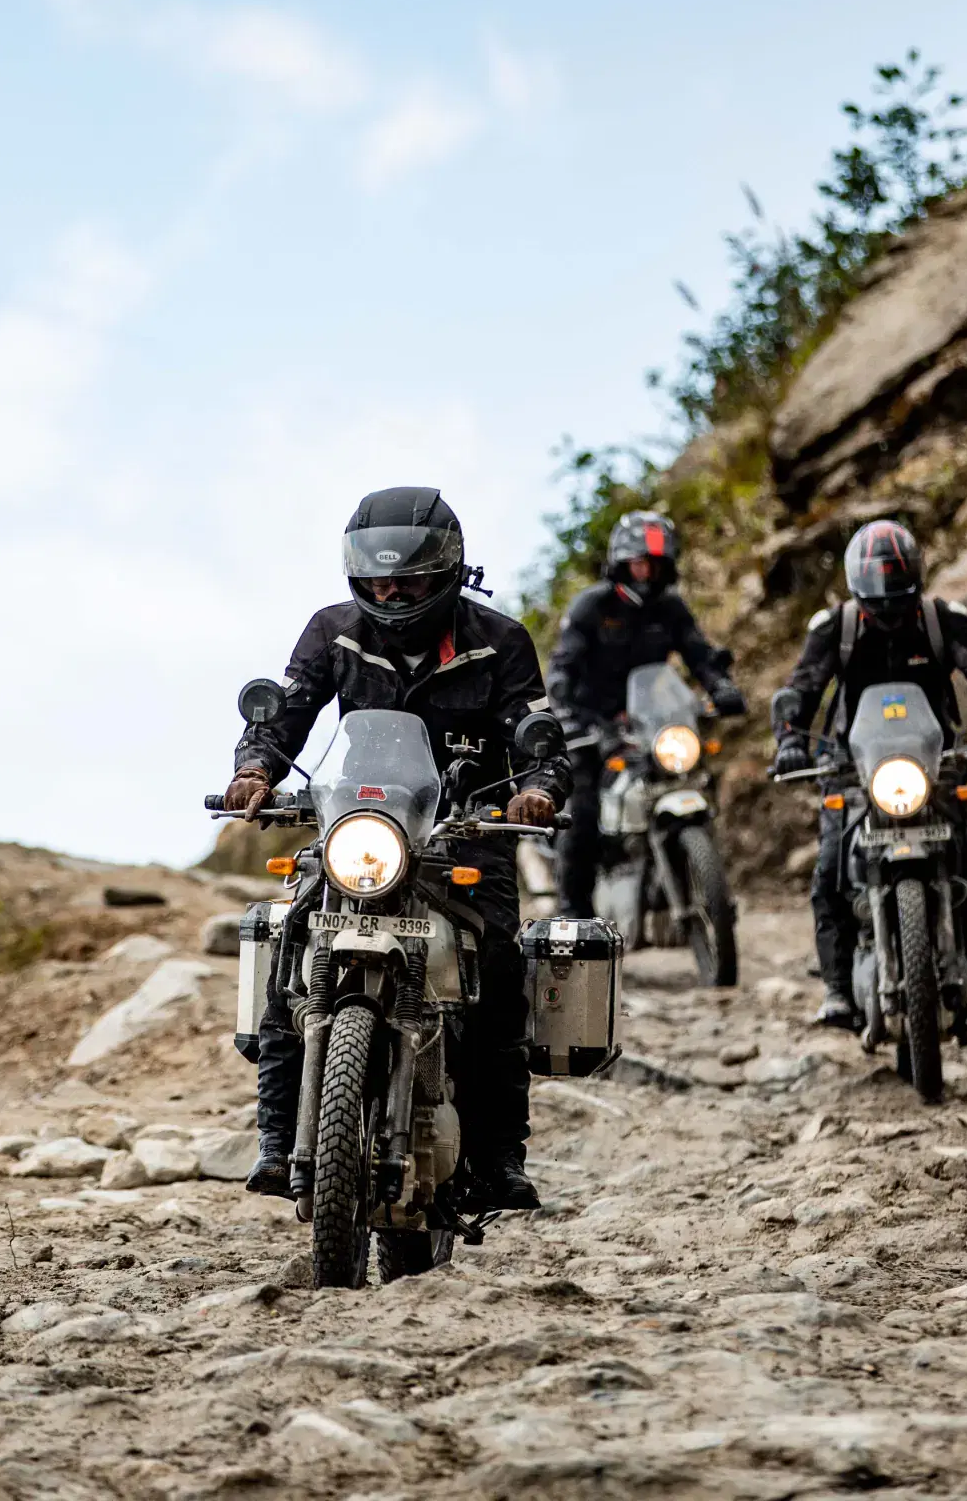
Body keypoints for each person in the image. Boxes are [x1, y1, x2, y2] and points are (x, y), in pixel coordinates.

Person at [224, 487, 569, 1212]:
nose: (390, 591)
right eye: (378, 578)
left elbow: (537, 732)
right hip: (361, 825)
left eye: (407, 579)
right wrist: (255, 768)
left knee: (500, 969)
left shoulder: (497, 641)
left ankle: (500, 1157)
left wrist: (537, 787)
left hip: (465, 832)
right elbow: (286, 712)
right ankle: (278, 1135)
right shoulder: (334, 632)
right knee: (291, 950)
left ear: (445, 573)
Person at [769, 520, 967, 1030]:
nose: (887, 608)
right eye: (876, 599)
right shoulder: (835, 628)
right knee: (829, 871)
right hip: (852, 771)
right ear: (856, 589)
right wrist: (791, 740)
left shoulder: (941, 620)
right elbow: (799, 690)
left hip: (935, 768)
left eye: (898, 596)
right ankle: (838, 991)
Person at [545, 510, 747, 918]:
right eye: (638, 562)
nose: (646, 572)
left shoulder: (670, 608)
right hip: (589, 723)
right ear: (620, 563)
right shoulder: (592, 606)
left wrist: (721, 688)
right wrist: (569, 712)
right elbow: (562, 669)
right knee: (581, 811)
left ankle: (689, 880)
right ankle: (573, 911)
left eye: (654, 564)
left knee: (691, 778)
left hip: (648, 722)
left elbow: (699, 655)